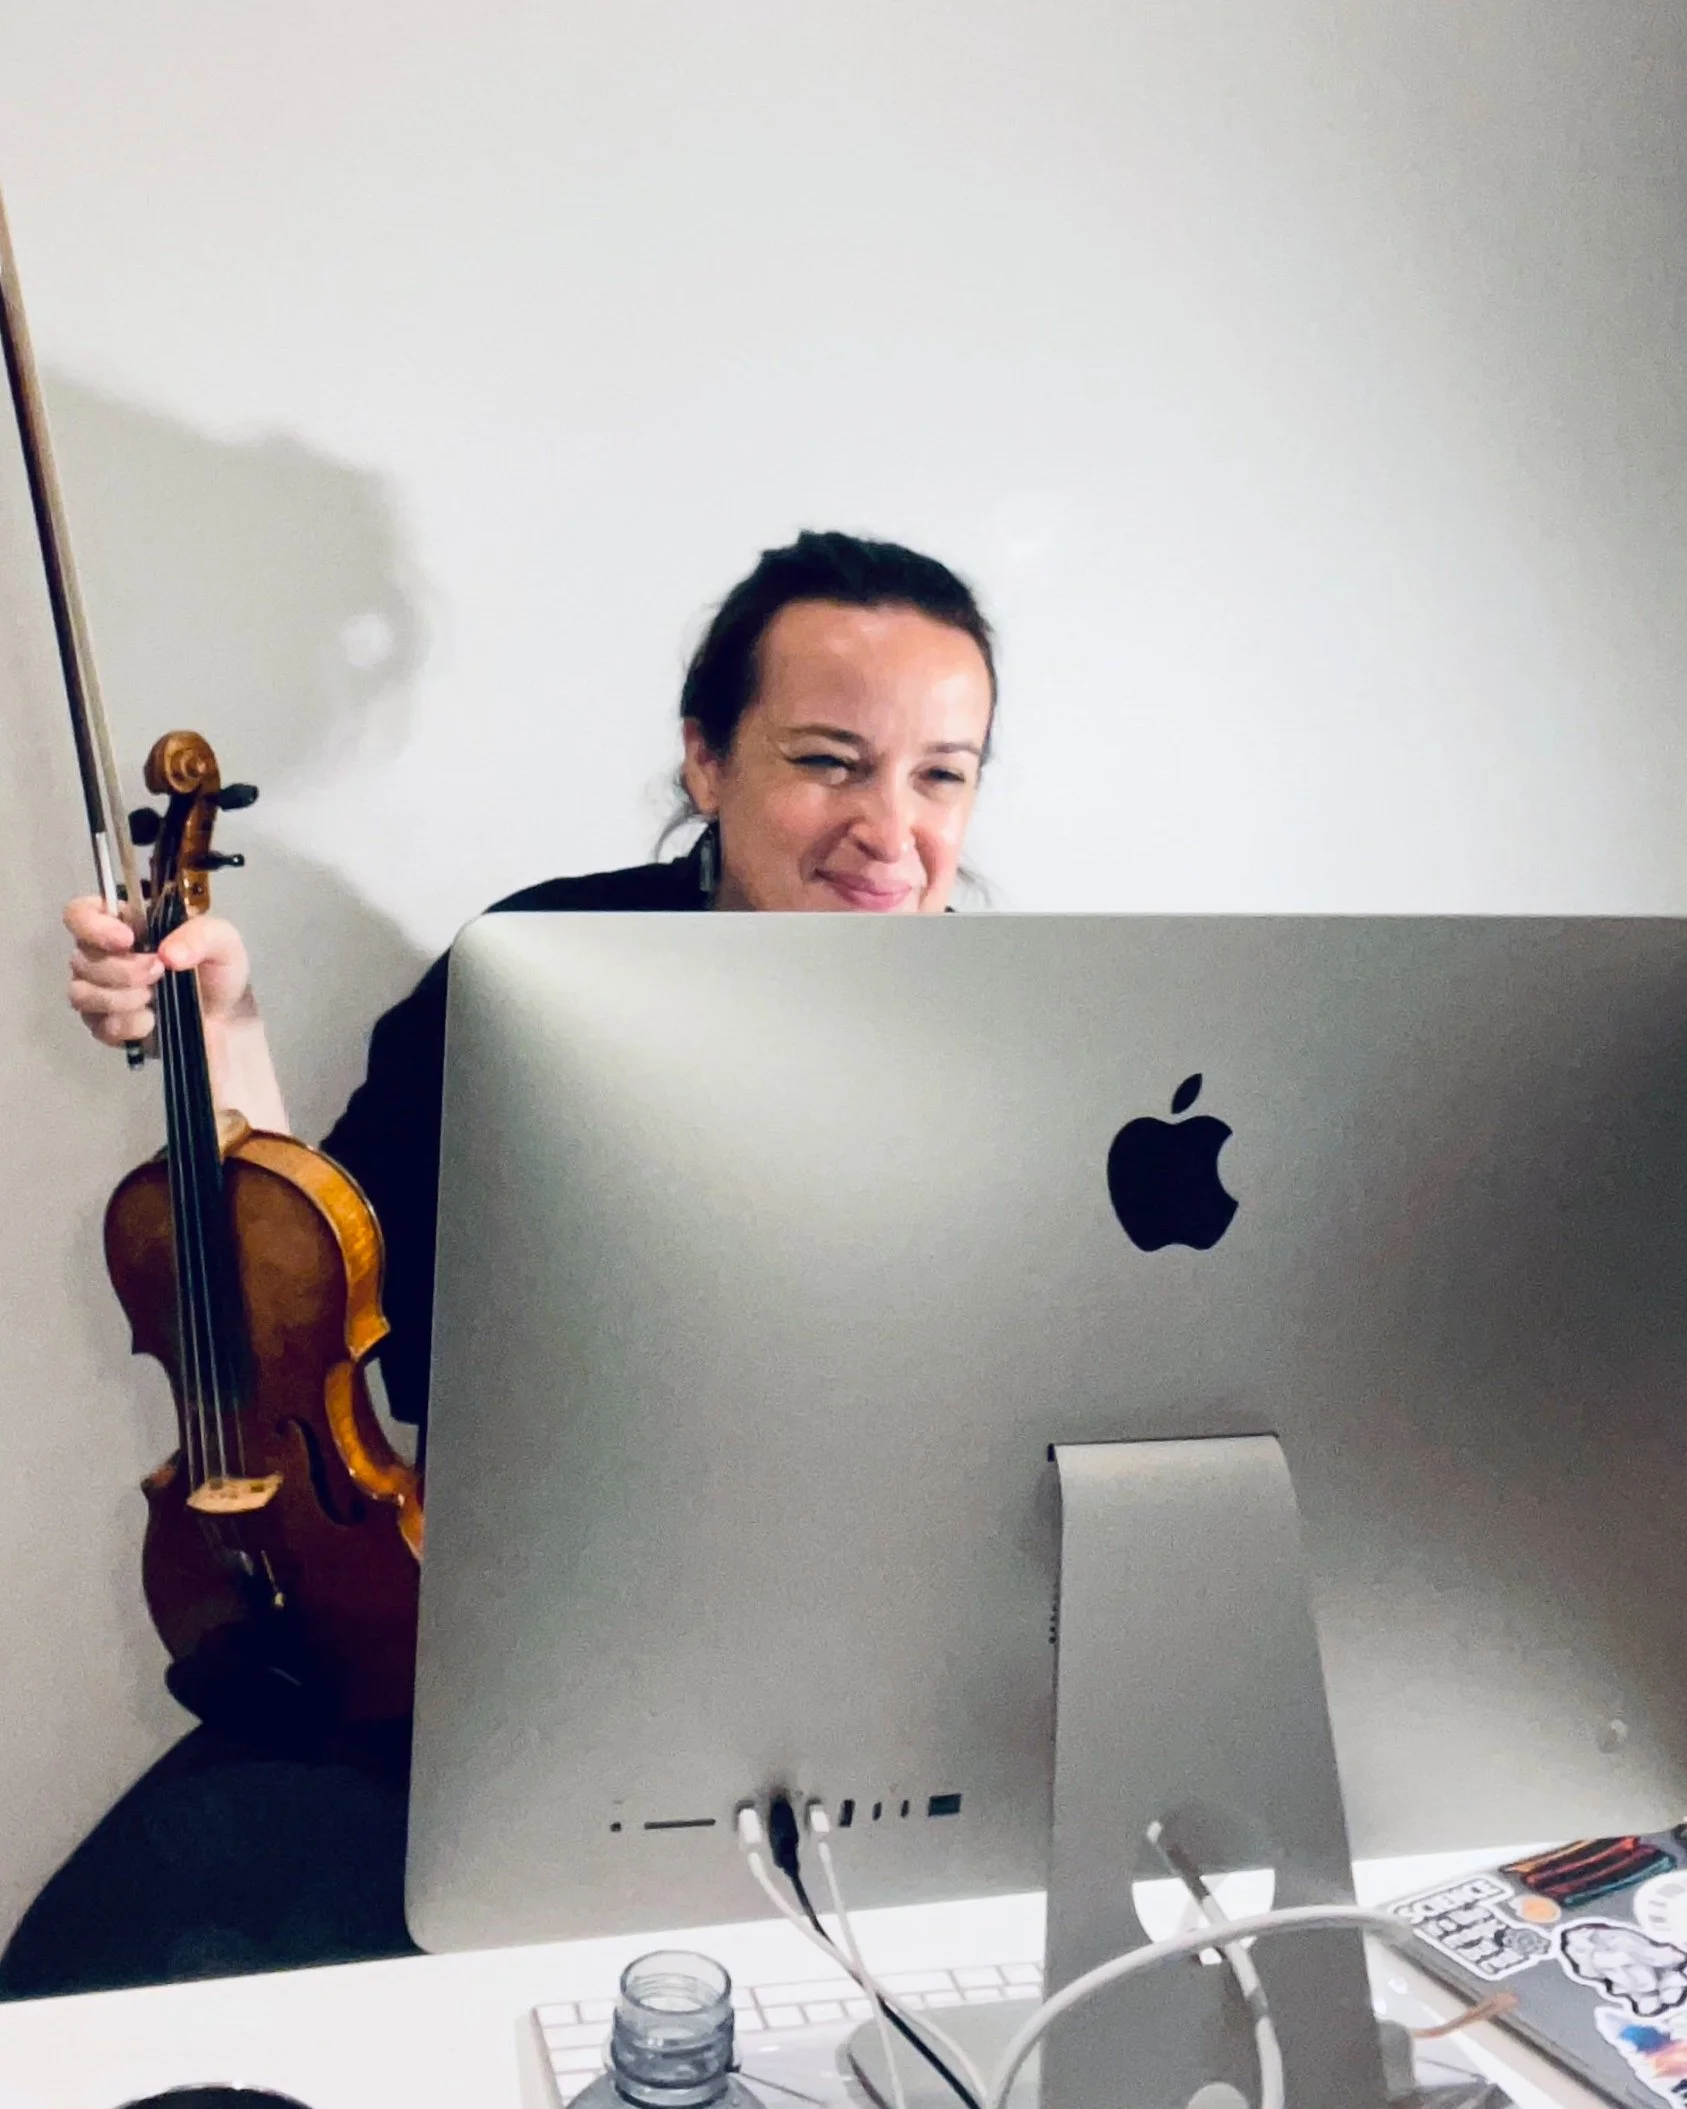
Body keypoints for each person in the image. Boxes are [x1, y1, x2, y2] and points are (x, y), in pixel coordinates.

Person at [4, 530, 997, 1998]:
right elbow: (330, 1273)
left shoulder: (1021, 1035)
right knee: (89, 1980)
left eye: (940, 773)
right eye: (830, 759)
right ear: (705, 761)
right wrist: (222, 1032)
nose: (889, 829)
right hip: (515, 1667)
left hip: (897, 1691)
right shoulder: (538, 971)